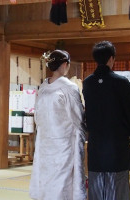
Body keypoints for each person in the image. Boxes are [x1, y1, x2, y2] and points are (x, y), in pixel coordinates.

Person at [82, 41, 130, 200]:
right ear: (111, 58)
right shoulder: (120, 82)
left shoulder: (88, 82)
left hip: (96, 144)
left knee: (96, 184)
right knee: (117, 185)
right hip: (116, 144)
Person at [29, 49, 87, 200]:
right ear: (64, 65)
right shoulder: (69, 87)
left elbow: (38, 117)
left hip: (45, 141)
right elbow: (78, 118)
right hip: (64, 143)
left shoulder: (43, 87)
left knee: (47, 179)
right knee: (62, 181)